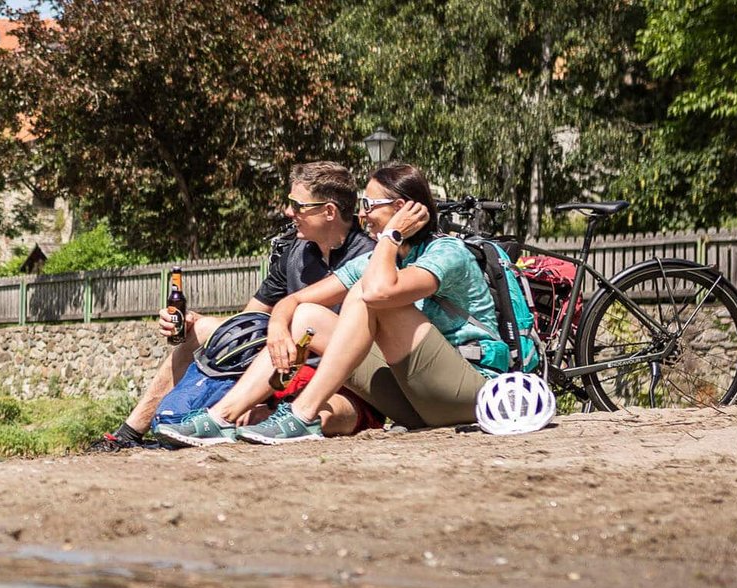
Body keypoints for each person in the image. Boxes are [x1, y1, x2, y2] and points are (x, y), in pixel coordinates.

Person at [160, 164, 504, 446]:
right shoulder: (378, 258)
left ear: (401, 210)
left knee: (366, 295)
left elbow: (380, 291)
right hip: (415, 402)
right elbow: (295, 301)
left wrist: (391, 236)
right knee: (307, 316)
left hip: (470, 394)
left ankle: (302, 415)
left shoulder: (447, 253)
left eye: (369, 206)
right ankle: (222, 417)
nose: (362, 215)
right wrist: (279, 327)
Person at [88, 161, 377, 451]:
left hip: (340, 381)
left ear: (329, 212)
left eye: (298, 205)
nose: (289, 212)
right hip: (278, 368)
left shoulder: (368, 257)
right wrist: (198, 320)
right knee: (201, 330)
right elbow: (248, 321)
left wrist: (283, 328)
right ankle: (128, 433)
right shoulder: (294, 253)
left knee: (315, 415)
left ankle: (257, 415)